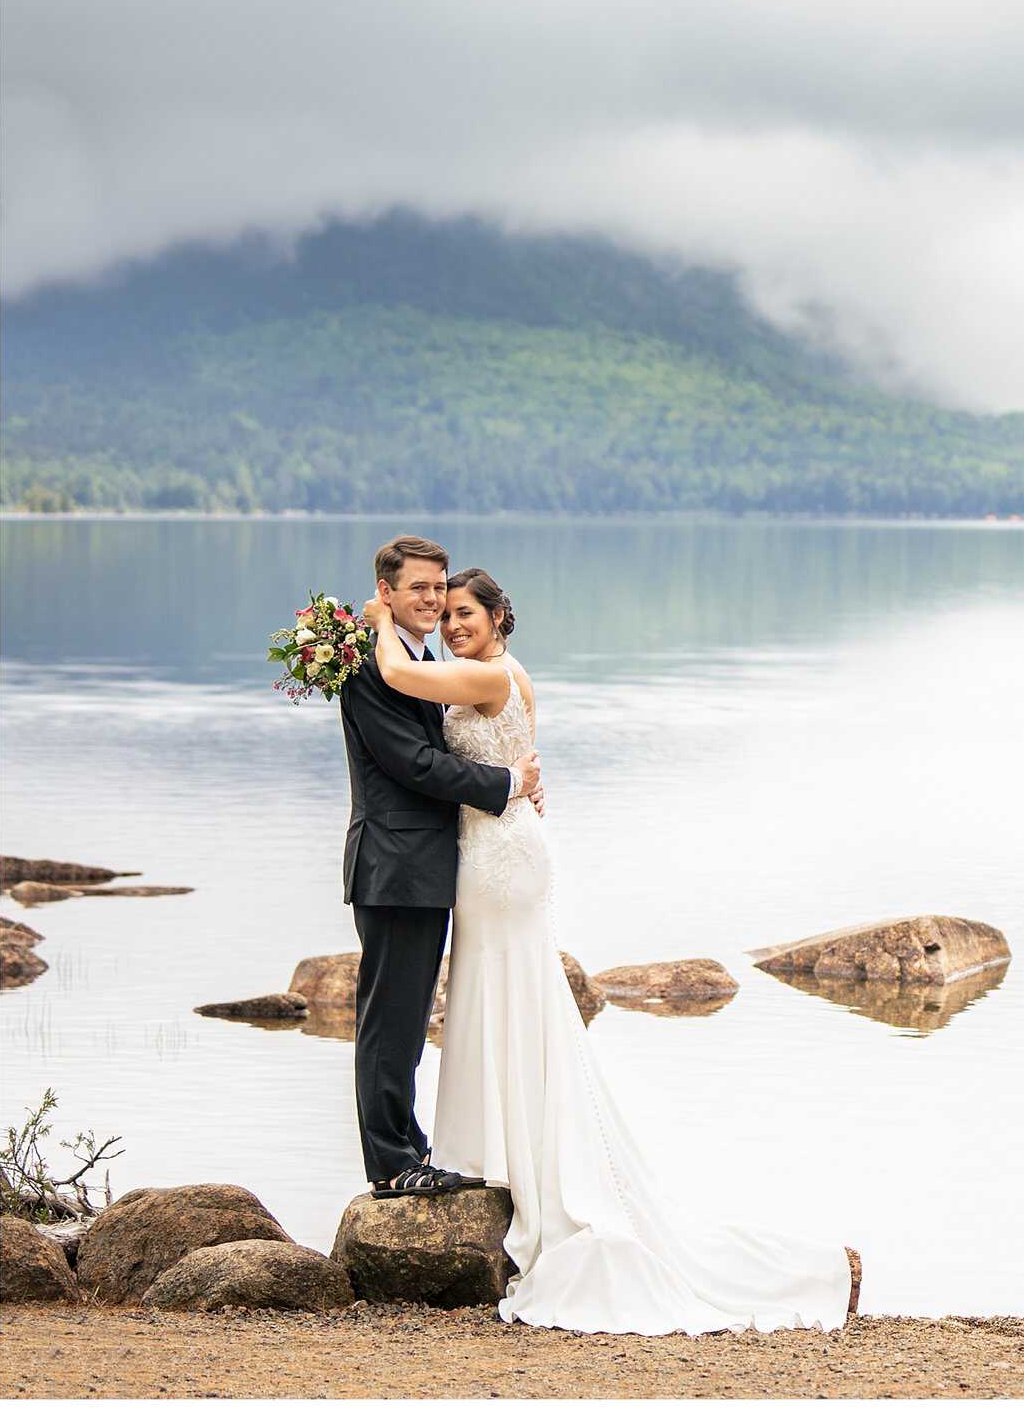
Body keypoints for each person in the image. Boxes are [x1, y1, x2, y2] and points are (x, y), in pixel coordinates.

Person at [363, 566, 859, 1334]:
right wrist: (516, 777)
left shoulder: (488, 674)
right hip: (499, 845)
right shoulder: (484, 674)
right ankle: (502, 1151)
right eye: (446, 610)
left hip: (499, 857)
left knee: (509, 992)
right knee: (504, 994)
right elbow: (484, 745)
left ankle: (524, 1161)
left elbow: (399, 673)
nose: (453, 622)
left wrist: (366, 618)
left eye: (465, 611)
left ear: (498, 617)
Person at [341, 534, 543, 1201]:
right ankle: (392, 1162)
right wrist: (508, 782)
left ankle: (412, 1143)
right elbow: (414, 765)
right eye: (420, 589)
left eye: (440, 587)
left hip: (434, 865)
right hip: (395, 865)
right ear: (387, 593)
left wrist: (517, 781)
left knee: (407, 1017)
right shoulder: (372, 668)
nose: (433, 600)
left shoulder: (423, 659)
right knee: (390, 1020)